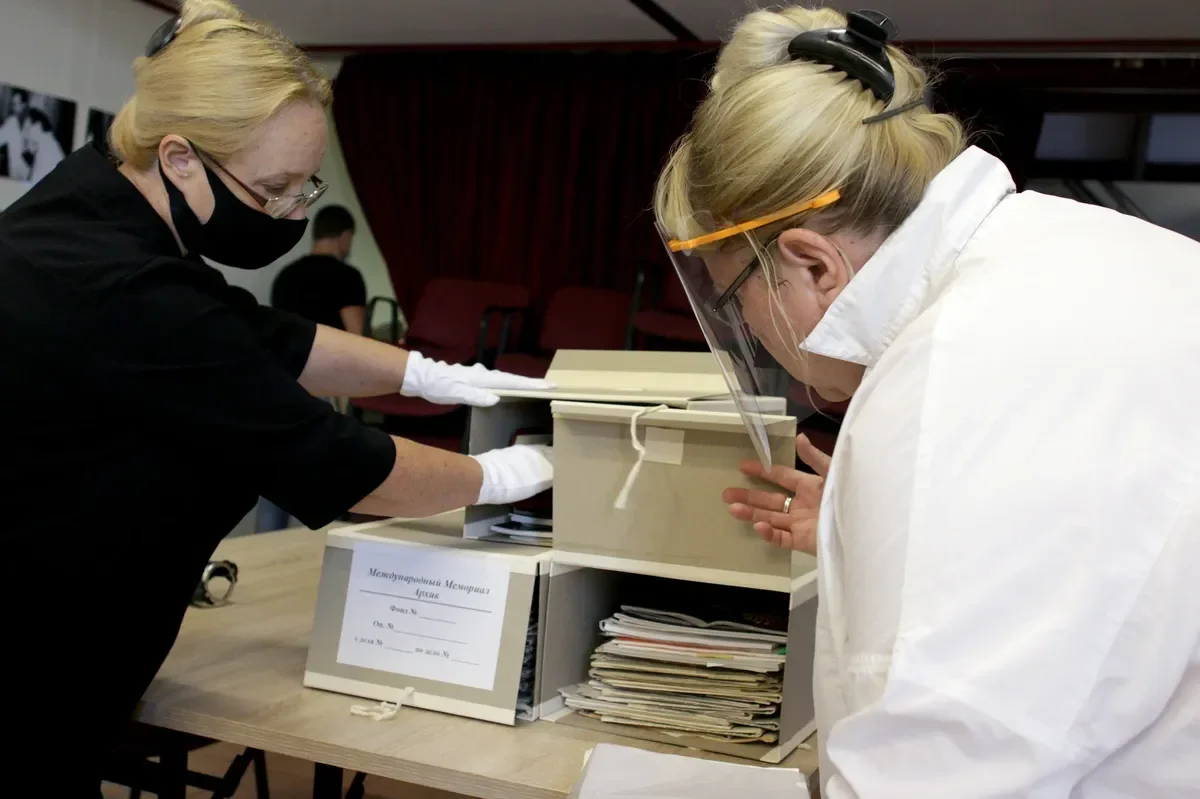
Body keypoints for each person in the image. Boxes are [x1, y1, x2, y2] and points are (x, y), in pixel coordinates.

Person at [0, 0, 552, 791]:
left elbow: (266, 336)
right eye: (273, 189)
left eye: (305, 185)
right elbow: (340, 459)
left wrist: (430, 373)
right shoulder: (129, 289)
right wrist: (510, 473)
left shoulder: (91, 198)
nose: (293, 211)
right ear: (181, 157)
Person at [656, 7, 1199, 798]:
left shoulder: (948, 377)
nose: (749, 328)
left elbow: (939, 769)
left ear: (812, 266)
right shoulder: (1097, 250)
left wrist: (917, 511)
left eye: (739, 297)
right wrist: (878, 534)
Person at [272, 204, 369, 335]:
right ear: (346, 236)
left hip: (292, 354)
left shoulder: (284, 276)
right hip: (333, 354)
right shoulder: (348, 277)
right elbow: (357, 335)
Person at [23, 106, 66, 183]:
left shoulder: (46, 148)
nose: (24, 134)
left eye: (27, 129)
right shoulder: (48, 142)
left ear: (38, 126)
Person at [0, 87, 30, 180]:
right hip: (15, 174)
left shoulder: (31, 123)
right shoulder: (10, 122)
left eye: (17, 104)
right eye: (13, 104)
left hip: (28, 172)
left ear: (24, 104)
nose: (14, 108)